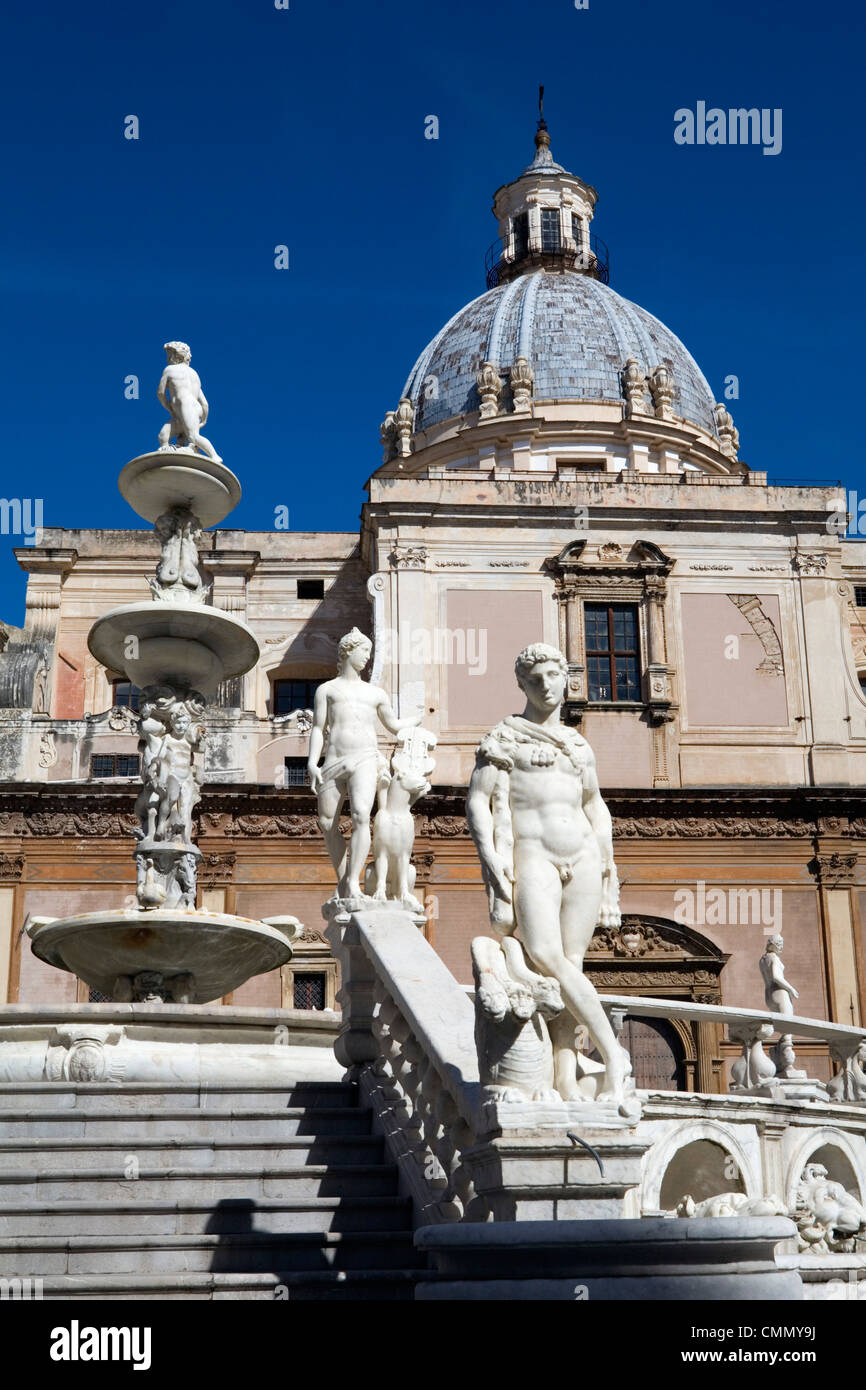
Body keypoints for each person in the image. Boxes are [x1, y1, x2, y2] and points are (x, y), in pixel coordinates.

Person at [467, 642, 629, 1103]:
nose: (545, 686)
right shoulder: (505, 737)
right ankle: (614, 1054)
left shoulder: (578, 744)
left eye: (552, 677)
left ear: (566, 679)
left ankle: (564, 1076)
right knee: (542, 953)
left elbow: (594, 804)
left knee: (569, 966)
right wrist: (491, 858)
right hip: (533, 855)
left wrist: (609, 867)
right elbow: (477, 800)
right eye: (534, 680)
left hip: (583, 857)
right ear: (521, 684)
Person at [308, 628, 419, 900]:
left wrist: (415, 721)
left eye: (369, 653)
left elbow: (393, 725)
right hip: (333, 759)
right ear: (348, 651)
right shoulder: (326, 690)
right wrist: (312, 762)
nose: (367, 659)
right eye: (364, 652)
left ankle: (354, 885)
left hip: (365, 758)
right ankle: (345, 878)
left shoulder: (376, 694)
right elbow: (317, 727)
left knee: (360, 816)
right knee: (326, 823)